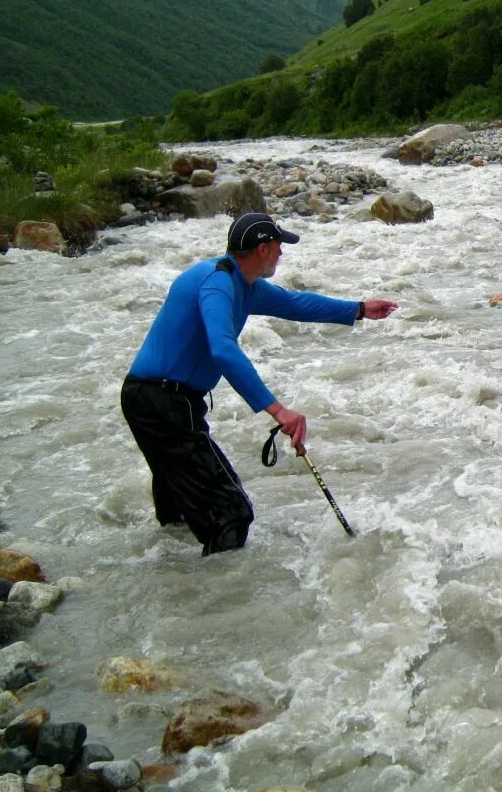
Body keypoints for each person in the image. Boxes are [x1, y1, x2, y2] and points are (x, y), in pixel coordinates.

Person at [121, 212, 398, 556]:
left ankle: (175, 588)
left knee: (179, 513)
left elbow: (295, 302)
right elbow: (222, 349)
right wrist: (278, 410)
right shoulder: (218, 282)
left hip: (168, 402)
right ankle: (218, 603)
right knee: (231, 514)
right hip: (160, 402)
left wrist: (358, 309)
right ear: (264, 249)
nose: (283, 253)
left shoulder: (244, 284)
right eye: (280, 246)